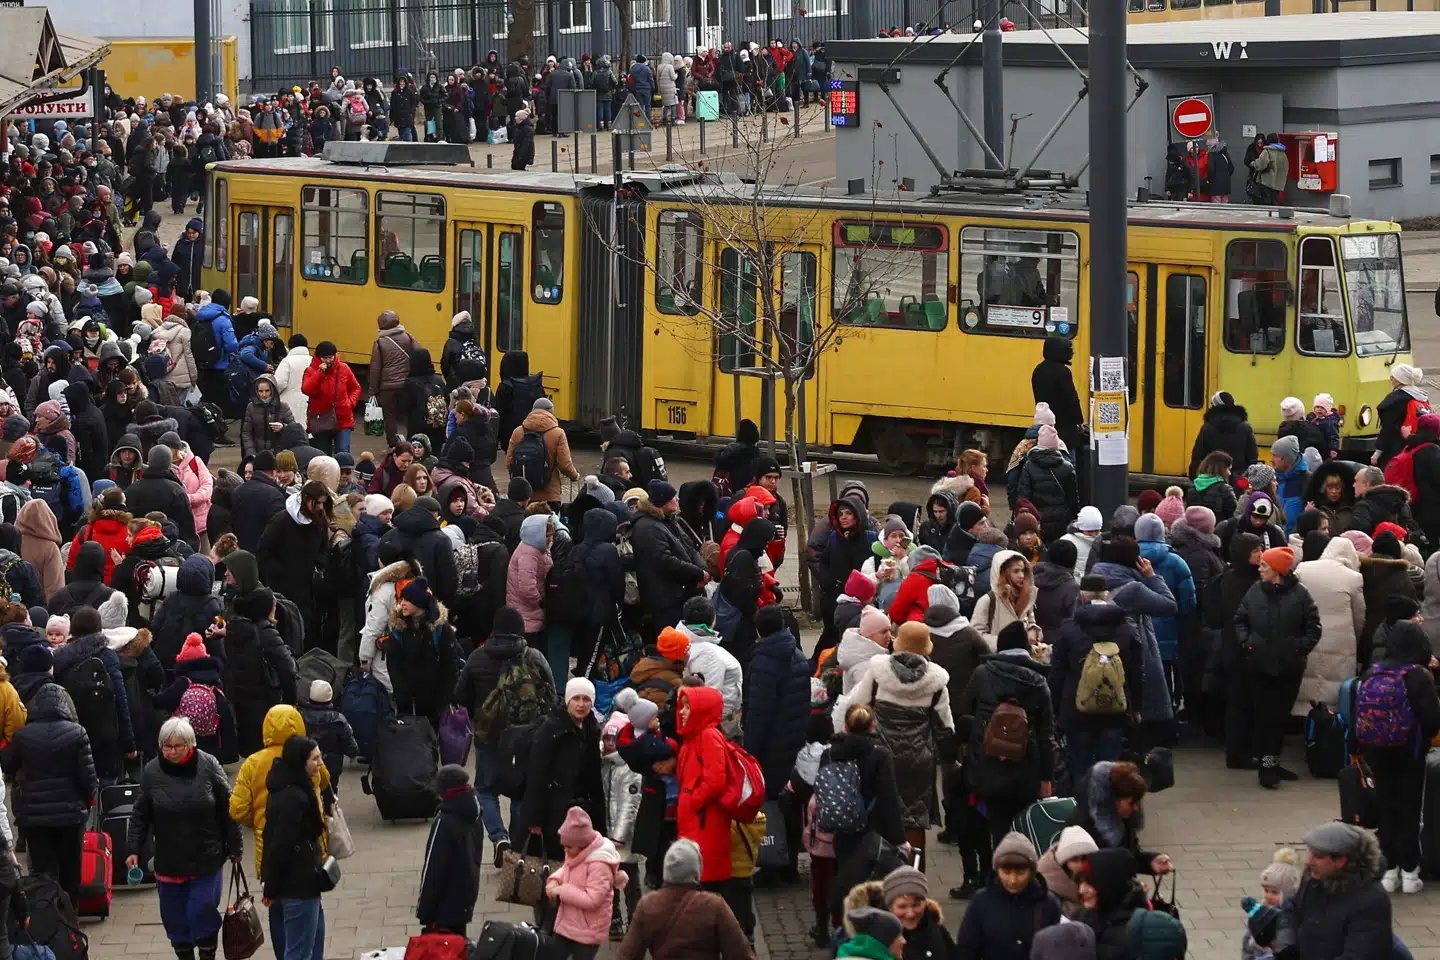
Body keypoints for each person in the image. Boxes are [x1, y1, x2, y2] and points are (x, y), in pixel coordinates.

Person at [128, 716, 243, 960]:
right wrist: (133, 849)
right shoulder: (151, 771)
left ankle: (207, 954)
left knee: (201, 912)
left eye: (178, 746)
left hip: (206, 858)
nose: (172, 751)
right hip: (169, 860)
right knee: (174, 918)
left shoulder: (209, 765)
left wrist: (236, 848)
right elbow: (140, 814)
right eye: (167, 746)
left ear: (191, 744)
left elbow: (229, 809)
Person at [1354, 620, 1440, 895]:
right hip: (1410, 753)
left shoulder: (1372, 673)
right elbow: (1431, 721)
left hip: (1377, 752)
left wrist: (1358, 748)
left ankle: (1388, 870)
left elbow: (1359, 715)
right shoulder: (1417, 676)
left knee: (1387, 808)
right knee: (1411, 811)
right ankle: (1410, 872)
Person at [956, 622, 1053, 848]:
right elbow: (1047, 735)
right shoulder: (1039, 681)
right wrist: (1046, 778)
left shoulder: (982, 674)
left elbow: (965, 712)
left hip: (987, 763)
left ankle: (997, 872)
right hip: (1027, 765)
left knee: (995, 823)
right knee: (1024, 827)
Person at [1, 680, 97, 907]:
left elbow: (8, 765)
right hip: (70, 813)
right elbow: (88, 776)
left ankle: (47, 915)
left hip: (35, 816)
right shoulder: (77, 733)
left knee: (43, 871)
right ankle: (70, 914)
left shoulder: (23, 736)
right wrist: (88, 799)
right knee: (71, 868)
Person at [1047, 574, 1144, 777]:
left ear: (1082, 597)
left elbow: (1057, 674)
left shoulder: (1069, 629)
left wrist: (1056, 711)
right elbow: (1136, 672)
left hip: (1076, 708)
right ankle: (1107, 804)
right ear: (1107, 596)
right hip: (1115, 709)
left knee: (1079, 765)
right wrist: (1136, 708)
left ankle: (1083, 805)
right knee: (1110, 767)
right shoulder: (1126, 629)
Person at [1266, 823, 1391, 960]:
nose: (1309, 861)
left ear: (1341, 861)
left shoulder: (1371, 901)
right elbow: (1292, 907)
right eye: (1310, 853)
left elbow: (1359, 955)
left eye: (1318, 857)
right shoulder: (1314, 877)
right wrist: (1286, 945)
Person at [615, 838, 752, 960]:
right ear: (697, 869)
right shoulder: (713, 905)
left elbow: (627, 954)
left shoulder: (648, 905)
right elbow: (740, 954)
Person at [516, 677, 606, 854]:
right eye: (576, 699)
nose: (581, 704)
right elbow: (537, 775)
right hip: (554, 811)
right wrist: (535, 819)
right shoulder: (551, 729)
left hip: (583, 810)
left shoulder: (592, 729)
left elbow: (594, 775)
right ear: (568, 701)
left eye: (586, 699)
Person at [259, 735, 329, 960]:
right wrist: (270, 886)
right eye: (315, 759)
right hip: (298, 884)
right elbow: (281, 843)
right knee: (299, 953)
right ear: (301, 761)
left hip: (288, 883)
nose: (320, 764)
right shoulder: (295, 798)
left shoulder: (281, 788)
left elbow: (269, 836)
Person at [51, 605, 135, 782]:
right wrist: (128, 742)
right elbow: (120, 699)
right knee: (107, 792)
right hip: (106, 738)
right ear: (99, 628)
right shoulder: (107, 656)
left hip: (71, 736)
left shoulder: (60, 659)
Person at [953, 832, 1060, 960]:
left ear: (1031, 871)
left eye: (1020, 873)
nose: (1013, 880)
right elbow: (966, 949)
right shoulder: (981, 902)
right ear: (997, 871)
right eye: (1006, 872)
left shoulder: (1048, 903)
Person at [1292, 535, 1366, 716]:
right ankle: (1330, 723)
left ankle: (1304, 718)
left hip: (1308, 635)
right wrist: (1355, 637)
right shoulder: (1353, 578)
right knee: (1335, 683)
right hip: (1340, 640)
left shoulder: (1303, 569)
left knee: (1307, 678)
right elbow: (1359, 615)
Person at [224, 587, 299, 756]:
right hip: (266, 704)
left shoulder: (235, 629)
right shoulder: (267, 632)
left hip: (241, 703)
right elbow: (287, 669)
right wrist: (290, 703)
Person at [1067, 760, 1172, 877]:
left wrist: (1150, 861)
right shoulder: (1081, 828)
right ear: (1115, 800)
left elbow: (1130, 855)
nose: (1136, 808)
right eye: (1132, 802)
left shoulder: (1122, 820)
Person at [631, 481, 705, 642]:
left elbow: (689, 547)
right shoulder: (647, 527)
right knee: (671, 643)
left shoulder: (669, 520)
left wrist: (701, 570)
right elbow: (665, 561)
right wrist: (698, 573)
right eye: (673, 497)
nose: (677, 500)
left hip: (680, 594)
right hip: (665, 600)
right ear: (663, 502)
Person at [416, 764, 484, 937]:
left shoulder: (444, 822)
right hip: (465, 896)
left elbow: (433, 868)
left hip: (444, 904)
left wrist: (425, 910)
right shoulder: (474, 813)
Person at [384, 577, 459, 728]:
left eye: (407, 600)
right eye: (402, 599)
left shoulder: (440, 629)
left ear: (418, 603)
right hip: (406, 700)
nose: (402, 603)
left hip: (432, 699)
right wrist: (401, 691)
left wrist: (446, 697)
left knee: (430, 739)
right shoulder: (399, 627)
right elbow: (393, 663)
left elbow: (450, 664)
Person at [506, 397, 579, 507]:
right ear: (551, 412)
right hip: (549, 495)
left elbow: (509, 463)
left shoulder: (518, 432)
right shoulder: (558, 433)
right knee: (549, 523)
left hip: (524, 497)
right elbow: (565, 465)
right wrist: (575, 476)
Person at [300, 341, 361, 456]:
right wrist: (319, 373)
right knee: (323, 456)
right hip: (321, 420)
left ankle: (342, 473)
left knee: (343, 453)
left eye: (331, 357)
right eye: (325, 358)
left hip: (343, 419)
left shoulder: (344, 368)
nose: (328, 361)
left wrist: (350, 403)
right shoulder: (311, 371)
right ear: (318, 358)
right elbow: (307, 390)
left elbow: (356, 388)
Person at [971, 550, 1040, 649]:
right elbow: (976, 634)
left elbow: (1030, 621)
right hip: (997, 659)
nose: (1021, 575)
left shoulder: (1026, 597)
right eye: (1016, 571)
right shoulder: (988, 600)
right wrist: (1005, 643)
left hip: (1021, 658)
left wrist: (1032, 629)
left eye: (1023, 571)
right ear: (1003, 573)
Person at [367, 311, 417, 446]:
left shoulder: (380, 342)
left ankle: (394, 445)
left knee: (390, 417)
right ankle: (413, 442)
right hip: (406, 384)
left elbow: (375, 369)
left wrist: (372, 390)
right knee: (408, 415)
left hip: (387, 388)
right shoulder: (408, 338)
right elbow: (419, 354)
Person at [1188, 391, 1258, 480]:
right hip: (1238, 477)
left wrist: (1194, 475)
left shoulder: (1208, 427)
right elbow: (1252, 454)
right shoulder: (1245, 427)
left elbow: (1198, 454)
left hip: (1212, 477)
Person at [1031, 336, 1083, 454]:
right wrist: (1079, 420)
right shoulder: (1063, 372)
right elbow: (1071, 400)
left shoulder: (1038, 369)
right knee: (1068, 460)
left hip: (1046, 424)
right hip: (1064, 427)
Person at [1036, 825, 1100, 918]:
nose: (1081, 864)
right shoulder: (1047, 891)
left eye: (1085, 858)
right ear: (1064, 863)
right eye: (1075, 859)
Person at [1374, 364, 1429, 469]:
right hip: (1416, 445)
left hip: (1396, 448)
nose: (1391, 379)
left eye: (1393, 377)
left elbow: (1388, 428)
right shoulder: (1421, 396)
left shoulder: (1395, 400)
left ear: (1399, 380)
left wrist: (1378, 451)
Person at [231, 451, 287, 552]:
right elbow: (279, 529)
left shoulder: (237, 491)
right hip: (266, 554)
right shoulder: (275, 495)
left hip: (241, 552)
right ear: (273, 472)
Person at [273, 333, 310, 428]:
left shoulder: (287, 361)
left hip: (288, 404)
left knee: (290, 431)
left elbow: (280, 383)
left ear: (290, 347)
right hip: (309, 402)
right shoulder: (312, 360)